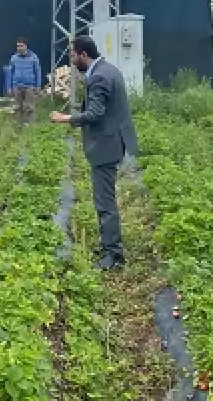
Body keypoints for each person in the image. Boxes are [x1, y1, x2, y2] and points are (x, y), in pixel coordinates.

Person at [50, 35, 138, 270]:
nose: (71, 60)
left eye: (72, 55)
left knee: (104, 201)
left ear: (83, 55)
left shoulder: (99, 76)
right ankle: (110, 245)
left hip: (106, 146)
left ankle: (114, 255)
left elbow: (96, 113)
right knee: (105, 198)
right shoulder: (108, 68)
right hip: (114, 141)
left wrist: (66, 118)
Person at [8, 37, 42, 122]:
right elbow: (10, 73)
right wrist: (9, 86)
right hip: (17, 86)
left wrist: (38, 86)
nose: (19, 48)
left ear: (26, 46)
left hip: (29, 86)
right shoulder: (14, 58)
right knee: (17, 107)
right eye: (18, 46)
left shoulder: (33, 57)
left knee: (30, 107)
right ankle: (19, 125)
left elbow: (37, 72)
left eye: (21, 46)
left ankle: (31, 126)